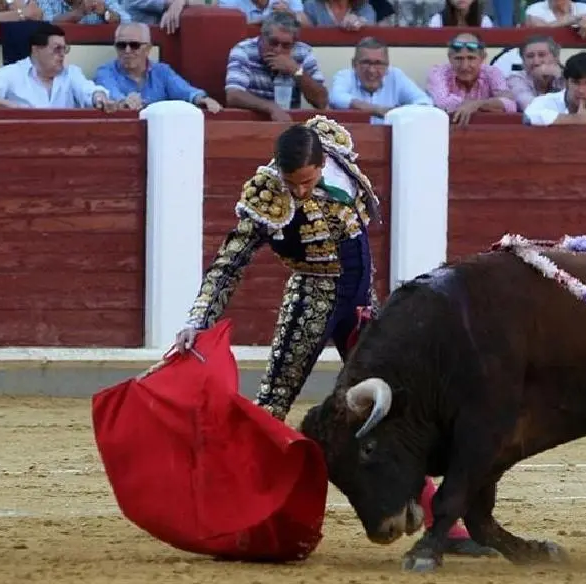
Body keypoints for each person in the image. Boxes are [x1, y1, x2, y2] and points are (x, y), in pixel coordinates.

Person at [172, 115, 496, 557]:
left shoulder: (333, 146)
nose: (299, 192)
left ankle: (447, 527)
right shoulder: (268, 194)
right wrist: (198, 319)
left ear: (324, 162)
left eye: (306, 181)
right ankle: (238, 513)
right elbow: (229, 263)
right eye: (292, 183)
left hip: (361, 300)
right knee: (272, 407)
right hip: (312, 299)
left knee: (392, 410)